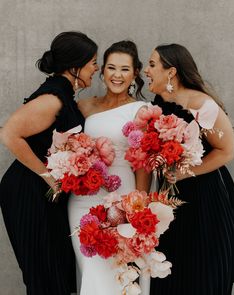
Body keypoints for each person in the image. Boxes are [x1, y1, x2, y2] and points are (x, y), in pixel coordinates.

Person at [0, 31, 98, 295]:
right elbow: (8, 134)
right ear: (75, 66)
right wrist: (48, 177)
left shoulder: (65, 95)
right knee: (44, 274)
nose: (96, 69)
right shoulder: (52, 98)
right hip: (28, 192)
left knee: (56, 272)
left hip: (45, 195)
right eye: (93, 62)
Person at [144, 43, 234, 295]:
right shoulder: (157, 105)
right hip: (169, 199)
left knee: (202, 270)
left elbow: (227, 150)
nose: (145, 71)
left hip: (205, 198)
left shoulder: (201, 103)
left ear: (171, 71)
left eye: (152, 65)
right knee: (172, 272)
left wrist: (186, 172)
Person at [68, 40, 151, 295]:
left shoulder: (141, 110)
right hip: (84, 200)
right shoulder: (84, 106)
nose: (117, 75)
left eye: (125, 69)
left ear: (135, 73)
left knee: (121, 271)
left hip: (123, 199)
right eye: (111, 68)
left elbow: (143, 163)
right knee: (92, 270)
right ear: (102, 70)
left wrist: (139, 209)